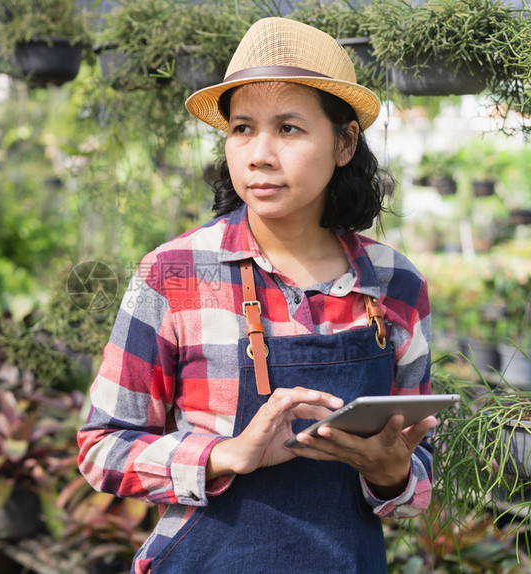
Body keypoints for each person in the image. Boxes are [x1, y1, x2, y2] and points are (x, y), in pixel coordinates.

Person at [77, 17, 435, 574]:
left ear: (344, 143)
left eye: (288, 128)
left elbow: (418, 473)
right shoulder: (175, 273)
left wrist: (390, 472)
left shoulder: (395, 283)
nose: (258, 154)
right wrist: (226, 455)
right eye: (242, 128)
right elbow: (101, 447)